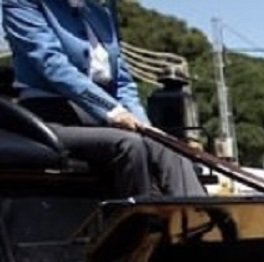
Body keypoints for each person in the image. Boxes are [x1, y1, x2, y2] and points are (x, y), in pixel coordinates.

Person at [2, 0, 204, 198]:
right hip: (51, 117)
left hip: (104, 117)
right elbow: (52, 66)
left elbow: (123, 81)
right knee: (130, 144)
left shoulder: (99, 13)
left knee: (167, 145)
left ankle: (202, 217)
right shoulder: (22, 3)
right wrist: (112, 110)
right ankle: (142, 225)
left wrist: (143, 123)